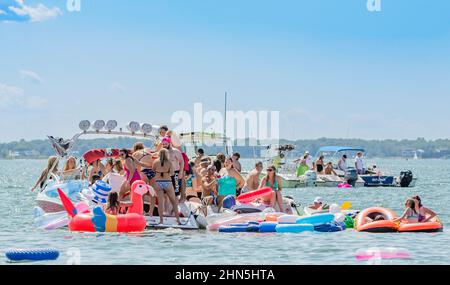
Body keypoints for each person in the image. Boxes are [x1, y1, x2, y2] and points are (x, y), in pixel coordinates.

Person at [152, 148, 180, 225]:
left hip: (158, 182)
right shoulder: (169, 163)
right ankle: (178, 220)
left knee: (160, 203)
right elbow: (172, 173)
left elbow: (153, 171)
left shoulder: (156, 162)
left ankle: (161, 221)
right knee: (174, 202)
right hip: (167, 182)